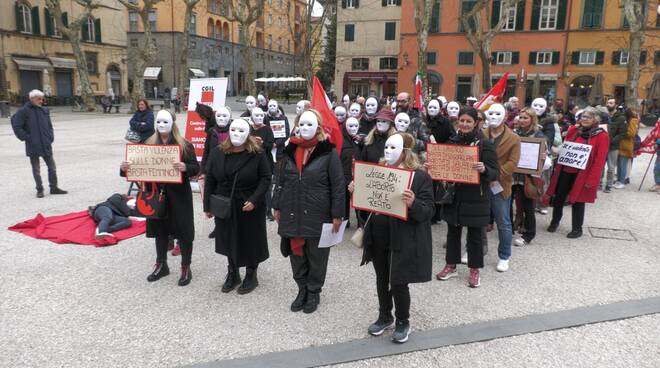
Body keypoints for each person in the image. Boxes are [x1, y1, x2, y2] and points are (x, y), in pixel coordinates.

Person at [349, 133, 434, 344]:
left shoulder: (420, 177)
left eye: (392, 147)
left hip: (403, 238)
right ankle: (384, 315)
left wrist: (413, 203)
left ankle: (403, 320)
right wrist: (355, 192)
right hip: (378, 236)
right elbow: (366, 206)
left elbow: (428, 211)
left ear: (405, 151)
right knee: (381, 278)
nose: (387, 151)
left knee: (398, 281)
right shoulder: (377, 173)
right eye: (385, 147)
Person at [272, 110, 345, 314]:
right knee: (296, 253)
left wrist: (337, 213)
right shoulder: (289, 149)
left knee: (317, 255)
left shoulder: (328, 152)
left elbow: (338, 185)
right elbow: (280, 180)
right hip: (292, 210)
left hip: (318, 213)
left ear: (318, 128)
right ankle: (302, 289)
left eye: (309, 125)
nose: (304, 129)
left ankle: (313, 292)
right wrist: (277, 205)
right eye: (301, 124)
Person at [120, 110, 200, 286]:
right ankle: (161, 264)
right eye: (158, 122)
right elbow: (137, 169)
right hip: (155, 195)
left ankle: (186, 267)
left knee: (184, 232)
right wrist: (125, 168)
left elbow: (196, 168)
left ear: (173, 123)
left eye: (165, 122)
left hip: (179, 196)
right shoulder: (147, 144)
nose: (161, 125)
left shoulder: (184, 145)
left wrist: (185, 167)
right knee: (160, 231)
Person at [203, 119, 272, 294]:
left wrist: (255, 199)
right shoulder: (218, 152)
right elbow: (210, 178)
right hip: (225, 202)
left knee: (250, 239)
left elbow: (265, 178)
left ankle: (251, 274)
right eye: (233, 129)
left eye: (241, 130)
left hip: (248, 203)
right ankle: (233, 272)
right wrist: (208, 206)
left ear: (248, 133)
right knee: (227, 238)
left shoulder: (257, 153)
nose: (236, 133)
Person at [436, 107, 499, 288]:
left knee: (475, 236)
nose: (464, 124)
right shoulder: (452, 142)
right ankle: (451, 265)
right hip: (455, 196)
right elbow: (444, 165)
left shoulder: (484, 144)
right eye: (462, 121)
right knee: (453, 233)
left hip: (476, 197)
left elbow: (495, 172)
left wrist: (484, 169)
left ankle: (474, 269)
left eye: (468, 121)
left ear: (476, 123)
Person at [543, 107, 609, 238]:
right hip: (566, 169)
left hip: (582, 174)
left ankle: (577, 228)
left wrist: (592, 180)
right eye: (583, 116)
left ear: (595, 120)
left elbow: (599, 160)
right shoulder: (574, 130)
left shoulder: (602, 135)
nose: (584, 119)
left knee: (578, 200)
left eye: (588, 117)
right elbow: (565, 146)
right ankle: (555, 221)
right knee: (559, 197)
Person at [482, 103, 520, 272]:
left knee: (503, 221)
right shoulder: (481, 134)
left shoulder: (513, 138)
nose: (494, 117)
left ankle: (504, 256)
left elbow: (512, 163)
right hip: (480, 183)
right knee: (478, 220)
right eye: (491, 113)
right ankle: (476, 249)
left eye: (498, 114)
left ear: (505, 117)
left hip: (500, 185)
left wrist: (494, 176)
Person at [11, 89, 68, 198]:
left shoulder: (44, 110)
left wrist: (50, 137)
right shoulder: (23, 111)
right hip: (33, 145)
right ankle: (40, 189)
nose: (41, 101)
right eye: (39, 99)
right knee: (36, 169)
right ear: (32, 99)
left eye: (42, 99)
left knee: (52, 167)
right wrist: (28, 138)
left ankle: (54, 187)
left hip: (46, 143)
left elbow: (49, 126)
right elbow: (17, 126)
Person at [512, 108, 548, 247]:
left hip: (528, 177)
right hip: (513, 174)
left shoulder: (539, 135)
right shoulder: (514, 133)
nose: (522, 120)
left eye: (525, 118)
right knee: (508, 202)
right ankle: (511, 227)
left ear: (532, 119)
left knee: (528, 206)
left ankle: (528, 234)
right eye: (520, 117)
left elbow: (546, 159)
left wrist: (543, 157)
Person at [340, 117, 362, 226]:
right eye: (350, 126)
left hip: (358, 175)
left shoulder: (361, 141)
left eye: (356, 126)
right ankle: (345, 221)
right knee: (344, 200)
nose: (353, 129)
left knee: (358, 199)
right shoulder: (340, 140)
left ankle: (360, 222)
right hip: (344, 174)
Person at [602, 103, 627, 193]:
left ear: (616, 105)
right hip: (602, 145)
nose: (609, 104)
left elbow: (623, 133)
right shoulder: (603, 116)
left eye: (611, 103)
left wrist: (611, 141)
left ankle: (609, 185)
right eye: (608, 103)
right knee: (600, 165)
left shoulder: (621, 118)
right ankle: (599, 183)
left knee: (611, 167)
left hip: (613, 146)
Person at [615, 107, 639, 188]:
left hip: (626, 146)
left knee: (623, 165)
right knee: (619, 165)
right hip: (620, 145)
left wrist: (621, 132)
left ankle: (621, 182)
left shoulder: (632, 121)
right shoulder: (625, 120)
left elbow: (632, 133)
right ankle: (618, 180)